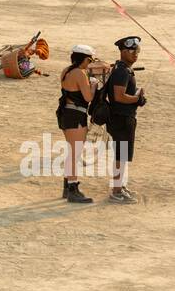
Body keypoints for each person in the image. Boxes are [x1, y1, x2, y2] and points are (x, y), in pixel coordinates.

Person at [106, 36, 146, 203]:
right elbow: (119, 96)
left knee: (122, 155)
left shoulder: (123, 69)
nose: (135, 54)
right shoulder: (122, 71)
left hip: (124, 117)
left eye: (137, 51)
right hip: (121, 118)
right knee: (120, 156)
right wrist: (137, 99)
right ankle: (116, 191)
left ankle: (119, 186)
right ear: (122, 52)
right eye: (131, 51)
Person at [56, 44, 98, 203]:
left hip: (66, 113)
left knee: (71, 152)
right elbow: (88, 98)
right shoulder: (80, 73)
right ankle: (73, 189)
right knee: (75, 154)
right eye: (89, 60)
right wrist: (93, 86)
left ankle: (67, 188)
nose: (90, 63)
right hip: (76, 115)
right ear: (83, 58)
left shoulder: (66, 71)